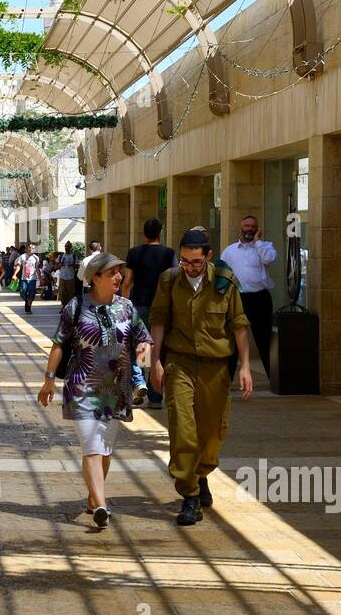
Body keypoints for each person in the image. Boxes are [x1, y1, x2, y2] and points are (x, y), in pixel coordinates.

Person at [38, 252, 153, 529]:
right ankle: (101, 504)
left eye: (120, 272)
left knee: (104, 449)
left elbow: (144, 339)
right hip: (81, 388)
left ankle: (93, 497)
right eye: (113, 272)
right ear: (96, 278)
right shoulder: (76, 306)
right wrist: (49, 379)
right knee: (91, 446)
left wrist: (143, 362)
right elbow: (58, 344)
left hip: (117, 390)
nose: (119, 277)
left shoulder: (126, 307)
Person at [149, 227, 253, 526]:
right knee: (183, 428)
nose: (189, 267)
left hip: (215, 366)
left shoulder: (224, 282)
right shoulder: (169, 281)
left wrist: (245, 366)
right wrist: (155, 362)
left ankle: (202, 472)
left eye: (195, 262)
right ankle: (190, 494)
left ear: (208, 256)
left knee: (212, 433)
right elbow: (157, 321)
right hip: (179, 362)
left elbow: (239, 325)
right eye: (184, 261)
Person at [123, 218, 177, 408]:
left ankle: (139, 383)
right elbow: (175, 279)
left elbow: (128, 281)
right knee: (159, 348)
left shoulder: (134, 252)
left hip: (140, 306)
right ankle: (155, 397)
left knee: (140, 347)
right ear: (160, 233)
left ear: (144, 233)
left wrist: (124, 303)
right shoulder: (168, 253)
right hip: (162, 307)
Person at [220, 215, 278, 378]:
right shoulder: (230, 251)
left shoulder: (265, 247)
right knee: (233, 340)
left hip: (260, 298)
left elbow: (269, 259)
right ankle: (226, 380)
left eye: (253, 226)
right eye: (247, 226)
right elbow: (222, 275)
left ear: (258, 229)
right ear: (241, 228)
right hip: (237, 299)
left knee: (264, 338)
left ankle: (273, 379)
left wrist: (258, 242)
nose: (250, 229)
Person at [16, 243, 40, 314]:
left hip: (33, 278)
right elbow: (19, 266)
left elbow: (37, 269)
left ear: (34, 250)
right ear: (27, 249)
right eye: (29, 247)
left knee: (32, 294)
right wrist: (14, 274)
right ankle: (27, 300)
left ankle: (29, 308)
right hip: (24, 278)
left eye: (32, 248)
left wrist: (40, 278)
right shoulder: (22, 256)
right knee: (22, 291)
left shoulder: (36, 258)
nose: (31, 249)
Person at [57, 241, 79, 306]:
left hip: (70, 277)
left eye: (68, 246)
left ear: (70, 247)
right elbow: (56, 266)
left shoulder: (74, 256)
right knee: (62, 293)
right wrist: (60, 264)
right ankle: (64, 306)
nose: (67, 247)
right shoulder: (61, 256)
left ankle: (70, 306)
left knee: (71, 293)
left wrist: (72, 265)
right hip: (62, 277)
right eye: (66, 246)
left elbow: (77, 266)